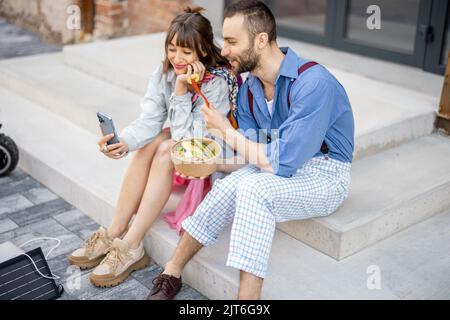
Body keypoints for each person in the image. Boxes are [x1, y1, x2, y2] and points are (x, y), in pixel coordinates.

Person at [147, 0, 355, 300]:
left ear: (261, 40)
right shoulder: (249, 89)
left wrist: (226, 132)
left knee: (253, 191)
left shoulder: (314, 83)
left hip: (325, 174)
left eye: (232, 41)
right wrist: (212, 164)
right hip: (275, 164)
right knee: (227, 186)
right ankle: (172, 271)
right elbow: (251, 154)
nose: (224, 50)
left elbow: (284, 160)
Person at [67, 6, 240, 288]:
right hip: (182, 148)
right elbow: (150, 119)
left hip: (207, 158)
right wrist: (123, 141)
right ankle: (115, 231)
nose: (177, 58)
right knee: (149, 144)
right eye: (172, 49)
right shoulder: (165, 72)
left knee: (163, 148)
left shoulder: (217, 83)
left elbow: (191, 144)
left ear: (204, 52)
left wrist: (183, 91)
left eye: (186, 51)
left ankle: (132, 246)